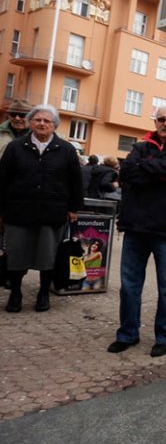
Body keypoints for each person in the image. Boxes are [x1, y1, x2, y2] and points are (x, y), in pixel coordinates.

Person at [107, 106, 166, 357]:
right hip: (135, 227)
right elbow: (127, 172)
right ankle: (128, 334)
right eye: (161, 119)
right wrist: (164, 169)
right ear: (155, 122)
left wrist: (147, 168)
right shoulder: (140, 146)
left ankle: (165, 336)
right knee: (129, 286)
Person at [0, 104, 84, 312]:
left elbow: (76, 182)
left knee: (48, 256)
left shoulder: (66, 150)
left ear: (54, 125)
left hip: (52, 212)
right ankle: (16, 293)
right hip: (18, 211)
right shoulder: (15, 147)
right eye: (37, 120)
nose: (42, 124)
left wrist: (74, 208)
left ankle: (44, 293)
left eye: (47, 121)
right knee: (16, 254)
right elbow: (2, 180)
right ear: (30, 123)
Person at [0, 98, 32, 289]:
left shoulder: (36, 135)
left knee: (19, 238)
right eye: (14, 114)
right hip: (2, 190)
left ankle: (15, 275)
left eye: (23, 115)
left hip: (23, 195)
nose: (18, 118)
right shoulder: (1, 134)